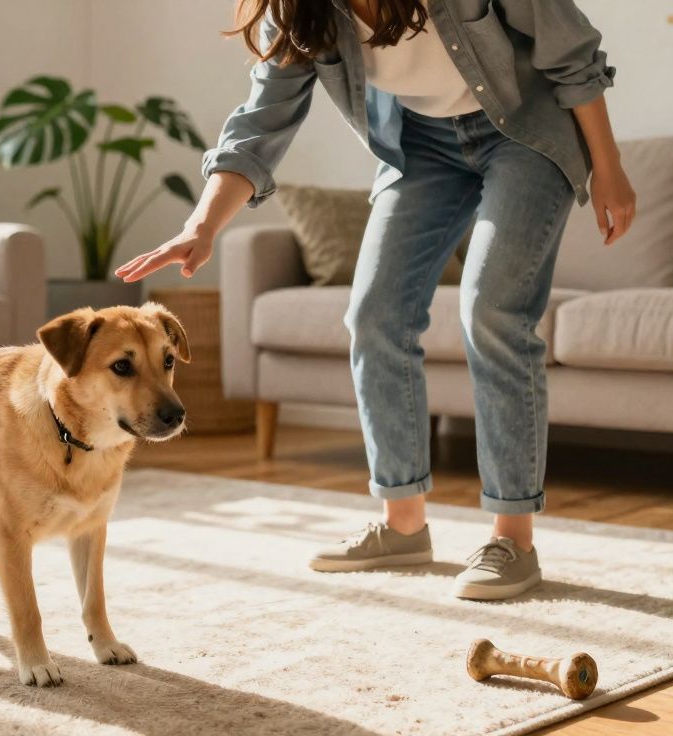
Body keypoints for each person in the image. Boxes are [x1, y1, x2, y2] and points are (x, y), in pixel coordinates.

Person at [115, 0, 636, 600]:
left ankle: (513, 539)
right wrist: (202, 225)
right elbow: (260, 122)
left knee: (492, 309)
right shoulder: (298, 10)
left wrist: (609, 166)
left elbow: (571, 51)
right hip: (420, 149)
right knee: (374, 315)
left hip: (524, 132)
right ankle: (403, 524)